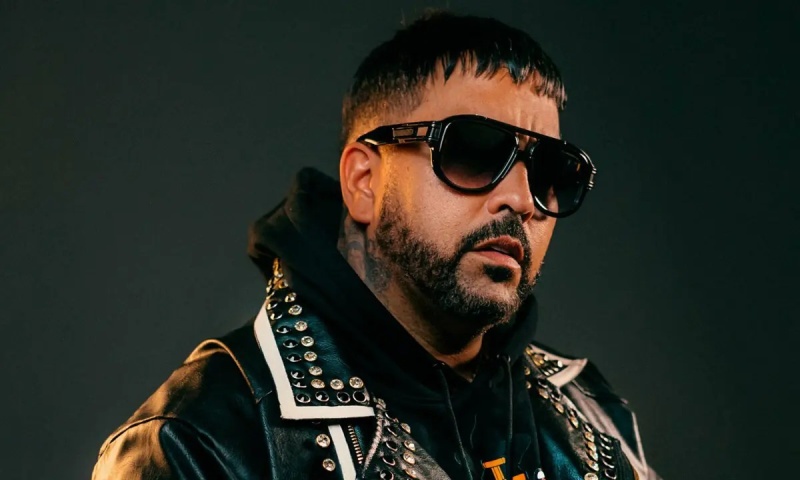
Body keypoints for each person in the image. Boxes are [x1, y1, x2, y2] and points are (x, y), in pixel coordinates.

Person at [93, 12, 660, 480]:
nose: (521, 199)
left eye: (550, 172)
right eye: (473, 151)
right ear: (364, 182)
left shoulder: (594, 416)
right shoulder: (197, 443)